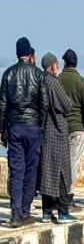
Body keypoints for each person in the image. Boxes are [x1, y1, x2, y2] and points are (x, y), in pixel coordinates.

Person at [0, 37, 45, 227]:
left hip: (15, 128)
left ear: (17, 52)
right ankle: (25, 211)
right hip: (33, 127)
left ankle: (15, 213)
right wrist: (40, 126)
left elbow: (2, 105)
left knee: (16, 170)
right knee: (31, 170)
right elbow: (44, 103)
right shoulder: (38, 74)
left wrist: (2, 131)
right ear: (30, 53)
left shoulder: (8, 74)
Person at [39, 52, 76, 224]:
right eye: (55, 64)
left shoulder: (41, 81)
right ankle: (62, 212)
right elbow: (67, 105)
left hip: (45, 132)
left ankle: (46, 212)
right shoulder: (54, 83)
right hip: (58, 132)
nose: (57, 66)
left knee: (47, 172)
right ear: (51, 66)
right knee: (61, 172)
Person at [58, 48, 84, 210]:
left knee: (62, 163)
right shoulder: (80, 81)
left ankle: (60, 195)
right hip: (78, 128)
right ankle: (68, 198)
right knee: (72, 164)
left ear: (64, 62)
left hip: (61, 127)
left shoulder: (58, 80)